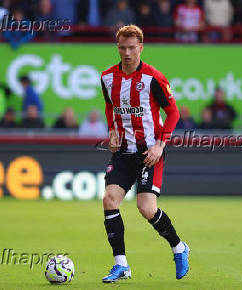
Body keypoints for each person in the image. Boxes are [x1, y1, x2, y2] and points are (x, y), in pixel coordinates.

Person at [100, 25, 188, 283]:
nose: (127, 53)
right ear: (118, 48)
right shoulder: (107, 78)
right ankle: (121, 265)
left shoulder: (153, 78)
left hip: (150, 152)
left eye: (131, 48)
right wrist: (112, 131)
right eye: (122, 48)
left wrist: (160, 145)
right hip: (123, 152)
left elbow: (173, 113)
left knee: (146, 208)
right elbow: (109, 106)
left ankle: (179, 248)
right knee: (109, 200)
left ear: (140, 47)